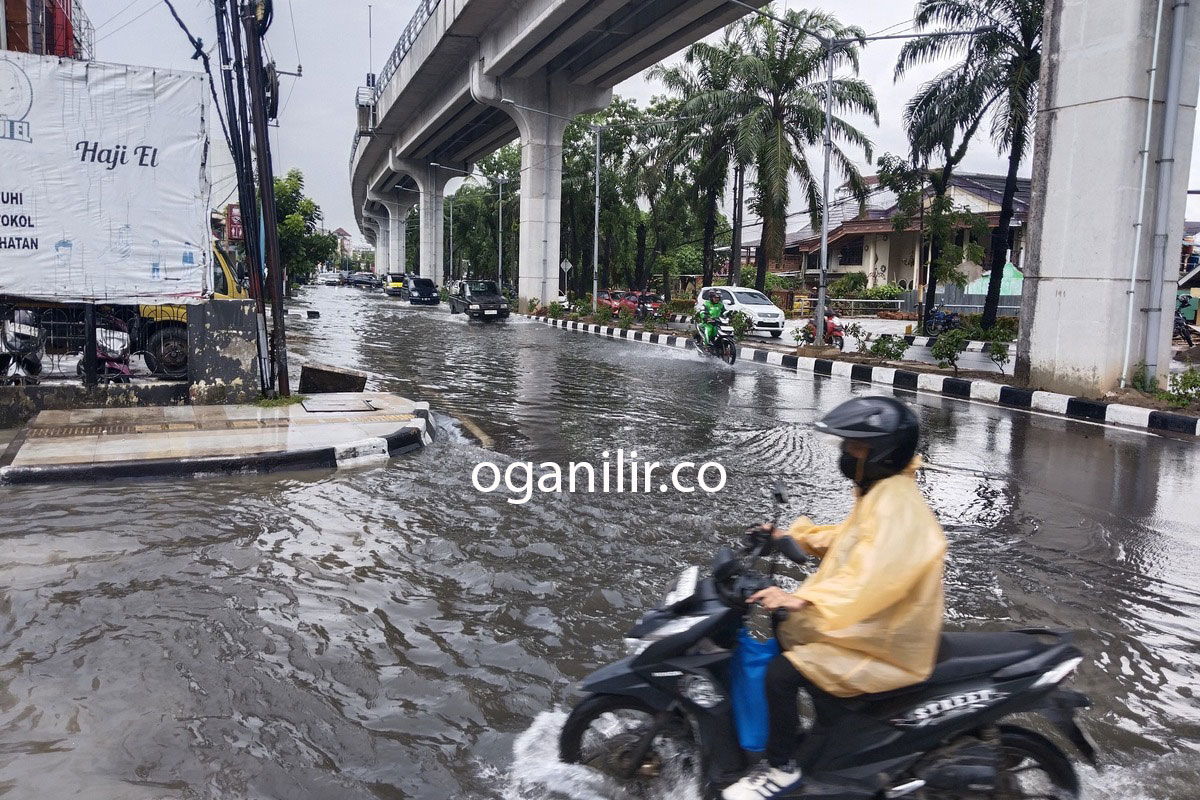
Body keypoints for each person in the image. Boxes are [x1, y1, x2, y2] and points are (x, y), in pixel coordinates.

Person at [722, 396, 947, 800]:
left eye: (854, 447)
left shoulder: (896, 504)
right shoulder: (882, 491)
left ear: (881, 453)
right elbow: (850, 541)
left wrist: (805, 600)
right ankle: (826, 743)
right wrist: (792, 539)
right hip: (880, 620)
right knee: (794, 652)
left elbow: (872, 578)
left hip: (888, 637)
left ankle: (782, 769)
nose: (845, 454)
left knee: (782, 674)